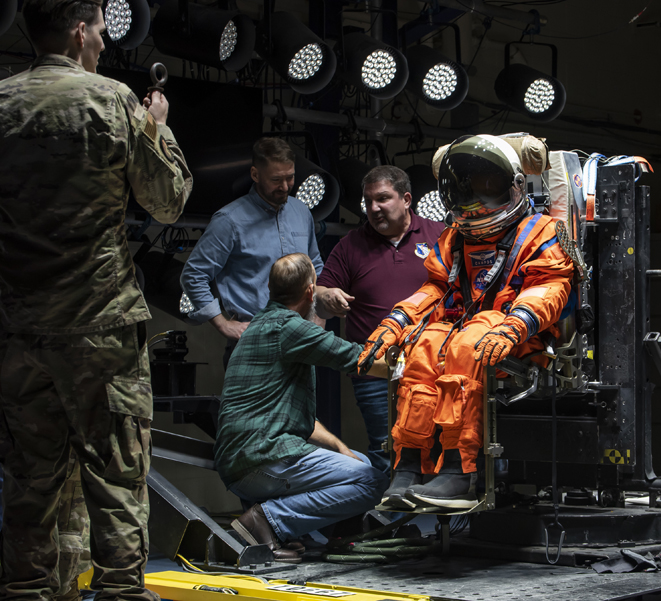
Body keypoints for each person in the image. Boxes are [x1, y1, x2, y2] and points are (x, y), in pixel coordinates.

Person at [0, 0, 192, 598]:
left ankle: (26, 591)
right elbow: (167, 202)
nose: (106, 45)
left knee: (29, 482)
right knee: (117, 477)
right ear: (79, 30)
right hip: (100, 328)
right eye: (103, 32)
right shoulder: (112, 101)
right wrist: (157, 126)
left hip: (18, 330)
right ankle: (118, 591)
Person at [359, 134, 574, 509]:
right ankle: (410, 465)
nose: (475, 202)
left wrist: (515, 325)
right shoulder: (454, 238)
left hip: (518, 336)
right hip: (467, 329)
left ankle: (461, 469)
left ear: (514, 187)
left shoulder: (540, 232)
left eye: (487, 188)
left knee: (464, 344)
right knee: (422, 345)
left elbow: (548, 287)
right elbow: (436, 288)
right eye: (467, 189)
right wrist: (396, 321)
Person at [215, 254, 389, 563]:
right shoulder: (289, 328)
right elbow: (359, 360)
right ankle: (266, 522)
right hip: (263, 458)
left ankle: (343, 536)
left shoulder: (259, 325)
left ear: (269, 288)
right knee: (372, 480)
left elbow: (302, 421)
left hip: (245, 458)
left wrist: (339, 447)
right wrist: (421, 362)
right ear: (311, 292)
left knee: (358, 460)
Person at [316, 166, 445, 472]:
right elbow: (320, 290)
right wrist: (327, 295)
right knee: (387, 451)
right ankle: (394, 519)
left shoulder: (439, 235)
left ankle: (441, 517)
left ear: (407, 199)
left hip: (433, 368)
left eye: (383, 199)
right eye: (369, 200)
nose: (374, 208)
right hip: (376, 372)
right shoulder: (351, 245)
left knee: (438, 448)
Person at [180, 137, 324, 365]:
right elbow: (194, 274)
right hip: (253, 344)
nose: (286, 187)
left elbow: (315, 266)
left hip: (301, 341)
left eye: (290, 177)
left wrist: (318, 315)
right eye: (276, 180)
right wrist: (222, 323)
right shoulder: (229, 220)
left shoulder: (302, 212)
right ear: (255, 175)